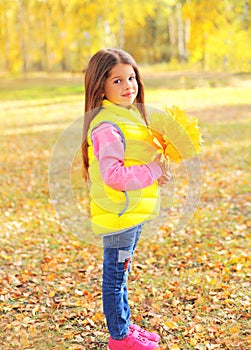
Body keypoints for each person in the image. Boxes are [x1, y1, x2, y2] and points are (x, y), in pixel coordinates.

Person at [82, 48, 170, 350]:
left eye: (131, 78)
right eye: (117, 81)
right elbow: (114, 176)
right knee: (115, 277)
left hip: (130, 215)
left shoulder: (126, 116)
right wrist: (152, 169)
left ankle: (124, 325)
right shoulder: (108, 124)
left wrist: (155, 173)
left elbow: (130, 161)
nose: (128, 85)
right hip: (120, 215)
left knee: (122, 273)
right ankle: (119, 337)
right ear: (100, 87)